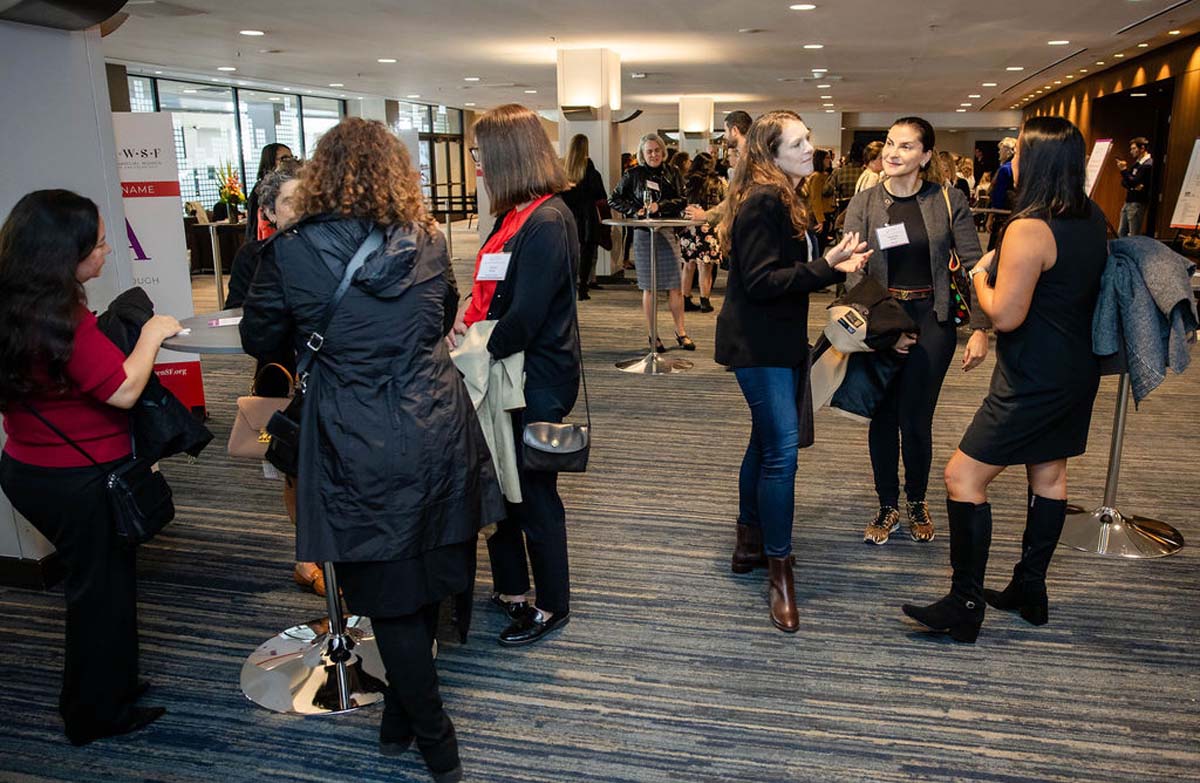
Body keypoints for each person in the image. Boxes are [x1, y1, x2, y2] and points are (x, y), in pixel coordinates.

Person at [240, 117, 503, 783]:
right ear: (395, 171)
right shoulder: (429, 238)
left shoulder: (290, 250)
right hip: (436, 420)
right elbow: (442, 316)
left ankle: (436, 738)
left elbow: (260, 335)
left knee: (387, 589)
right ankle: (399, 718)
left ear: (321, 174)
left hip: (356, 432)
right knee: (421, 572)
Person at [902, 116, 1107, 644]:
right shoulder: (1091, 217)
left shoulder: (1029, 228)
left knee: (961, 478)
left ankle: (966, 602)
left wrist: (975, 276)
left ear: (1031, 163)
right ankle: (1029, 590)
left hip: (1031, 376)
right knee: (1049, 477)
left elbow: (1005, 315)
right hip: (1075, 369)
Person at [0, 189, 182, 745]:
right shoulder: (63, 318)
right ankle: (95, 713)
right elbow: (123, 389)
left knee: (95, 588)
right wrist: (152, 333)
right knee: (100, 598)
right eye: (98, 244)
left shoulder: (14, 305)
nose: (106, 252)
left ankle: (109, 689)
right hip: (82, 479)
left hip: (27, 468)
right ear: (64, 254)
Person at [714, 110, 871, 632]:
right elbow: (760, 281)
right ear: (771, 153)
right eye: (798, 142)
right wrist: (827, 267)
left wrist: (830, 263)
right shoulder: (764, 200)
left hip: (775, 340)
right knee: (781, 452)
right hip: (756, 345)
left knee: (764, 444)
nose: (810, 147)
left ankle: (748, 543)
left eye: (808, 139)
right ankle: (778, 571)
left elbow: (780, 273)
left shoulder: (783, 195)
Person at [450, 104, 582, 647]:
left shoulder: (548, 220)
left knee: (531, 490)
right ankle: (510, 588)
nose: (476, 164)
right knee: (496, 481)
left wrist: (470, 350)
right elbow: (490, 292)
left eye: (481, 154)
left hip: (533, 376)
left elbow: (526, 316)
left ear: (507, 156)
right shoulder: (513, 216)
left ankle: (553, 603)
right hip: (498, 369)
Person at [843, 116, 990, 546]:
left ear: (925, 156)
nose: (893, 152)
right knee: (883, 415)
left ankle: (917, 500)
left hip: (933, 319)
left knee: (917, 417)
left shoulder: (947, 199)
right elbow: (854, 275)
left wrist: (980, 327)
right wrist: (887, 327)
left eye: (906, 147)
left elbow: (972, 263)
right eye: (890, 143)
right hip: (882, 316)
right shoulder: (866, 203)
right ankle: (887, 503)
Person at [225, 161, 324, 595]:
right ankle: (306, 558)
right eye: (288, 202)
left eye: (305, 200)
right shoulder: (256, 255)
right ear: (269, 211)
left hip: (323, 374)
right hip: (281, 375)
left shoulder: (326, 246)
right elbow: (242, 315)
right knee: (293, 469)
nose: (298, 210)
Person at [609, 133, 695, 351]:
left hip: (666, 233)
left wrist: (661, 206)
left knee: (675, 286)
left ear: (663, 152)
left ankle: (681, 332)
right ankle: (653, 335)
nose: (654, 155)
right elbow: (614, 199)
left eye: (657, 150)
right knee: (650, 288)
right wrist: (635, 211)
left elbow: (682, 200)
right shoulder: (633, 174)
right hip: (644, 234)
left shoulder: (673, 172)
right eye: (649, 151)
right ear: (642, 153)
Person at [560, 133, 608, 301]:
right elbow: (599, 193)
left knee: (569, 252)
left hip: (567, 215)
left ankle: (568, 287)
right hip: (587, 215)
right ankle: (583, 289)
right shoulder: (588, 166)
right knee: (587, 253)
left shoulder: (561, 166)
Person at [679, 151, 727, 312]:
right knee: (705, 266)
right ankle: (705, 300)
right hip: (708, 225)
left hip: (689, 226)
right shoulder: (718, 182)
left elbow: (681, 203)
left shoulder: (687, 181)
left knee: (688, 265)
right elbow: (724, 203)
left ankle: (685, 298)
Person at [244, 142, 294, 241]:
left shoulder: (289, 185)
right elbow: (253, 226)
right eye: (284, 158)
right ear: (270, 161)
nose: (290, 162)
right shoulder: (260, 190)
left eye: (291, 157)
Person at [1116, 136, 1153, 237]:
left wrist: (1123, 170)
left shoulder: (1147, 164)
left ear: (1142, 148)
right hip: (1128, 201)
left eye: (1133, 148)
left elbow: (1133, 181)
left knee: (1133, 235)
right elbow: (1125, 182)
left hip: (1137, 202)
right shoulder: (1137, 163)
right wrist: (1132, 185)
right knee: (1121, 233)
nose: (1131, 151)